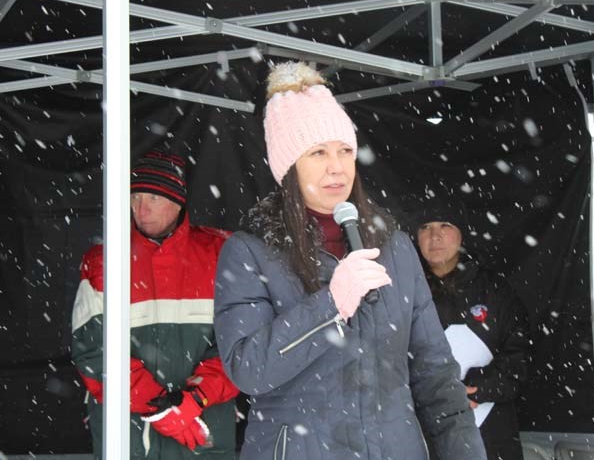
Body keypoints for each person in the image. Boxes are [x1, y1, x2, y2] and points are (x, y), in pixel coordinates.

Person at [213, 62, 487, 460]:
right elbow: (249, 368)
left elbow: (435, 374)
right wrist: (331, 306)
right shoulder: (250, 251)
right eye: (318, 153)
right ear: (289, 167)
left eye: (345, 151)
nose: (336, 167)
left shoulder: (392, 246)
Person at [71, 150, 240, 460]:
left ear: (178, 202)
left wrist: (194, 400)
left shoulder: (222, 254)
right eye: (135, 197)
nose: (141, 209)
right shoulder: (102, 262)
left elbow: (240, 347)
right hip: (130, 438)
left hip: (202, 429)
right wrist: (158, 408)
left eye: (153, 198)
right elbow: (93, 351)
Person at [415, 194, 529, 460]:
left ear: (462, 233)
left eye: (445, 225)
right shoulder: (404, 292)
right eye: (425, 228)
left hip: (492, 434)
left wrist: (479, 389)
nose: (435, 236)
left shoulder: (496, 291)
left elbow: (520, 356)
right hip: (425, 433)